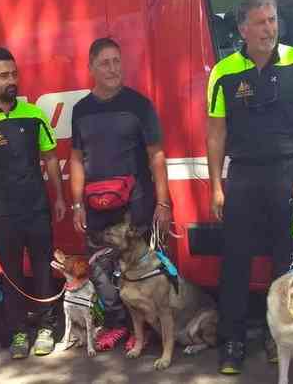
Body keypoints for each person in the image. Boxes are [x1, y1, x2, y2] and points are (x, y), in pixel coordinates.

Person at [206, 0, 293, 375]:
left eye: (272, 20)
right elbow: (215, 133)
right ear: (242, 29)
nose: (269, 29)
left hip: (288, 173)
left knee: (285, 263)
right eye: (260, 22)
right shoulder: (223, 72)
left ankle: (283, 340)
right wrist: (216, 186)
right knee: (235, 262)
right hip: (241, 175)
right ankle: (233, 342)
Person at [68, 37, 172, 351]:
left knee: (144, 272)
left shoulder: (139, 105)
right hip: (97, 208)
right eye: (105, 63)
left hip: (137, 206)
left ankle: (150, 331)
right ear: (91, 68)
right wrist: (77, 204)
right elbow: (75, 158)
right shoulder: (81, 110)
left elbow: (157, 155)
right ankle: (119, 327)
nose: (113, 69)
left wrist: (163, 203)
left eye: (117, 61)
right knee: (100, 272)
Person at [0, 47, 66, 359]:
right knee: (11, 275)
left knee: (44, 269)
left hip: (36, 208)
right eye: (3, 75)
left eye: (14, 74)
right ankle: (19, 332)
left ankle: (47, 328)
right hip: (3, 213)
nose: (11, 80)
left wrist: (60, 196)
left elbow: (49, 156)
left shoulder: (34, 115)